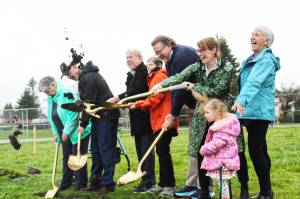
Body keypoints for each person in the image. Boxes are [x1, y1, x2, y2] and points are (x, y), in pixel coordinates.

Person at [151, 37, 248, 199]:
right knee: (200, 150)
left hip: (223, 113)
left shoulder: (227, 67)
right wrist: (161, 86)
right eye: (198, 50)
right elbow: (180, 76)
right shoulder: (197, 67)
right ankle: (204, 190)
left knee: (238, 150)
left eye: (203, 50)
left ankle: (244, 187)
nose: (199, 54)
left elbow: (218, 90)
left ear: (213, 50)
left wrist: (195, 87)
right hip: (203, 112)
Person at [60, 51, 120, 194]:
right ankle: (95, 182)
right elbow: (87, 101)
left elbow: (89, 103)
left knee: (105, 150)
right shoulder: (85, 78)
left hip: (107, 116)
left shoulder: (89, 77)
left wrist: (82, 124)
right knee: (96, 151)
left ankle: (108, 184)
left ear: (75, 67)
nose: (70, 76)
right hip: (97, 117)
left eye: (70, 73)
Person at [232, 25, 280, 199]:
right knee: (261, 150)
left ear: (266, 41)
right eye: (252, 34)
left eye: (257, 35)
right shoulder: (251, 59)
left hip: (259, 111)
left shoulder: (266, 60)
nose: (252, 37)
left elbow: (253, 82)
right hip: (249, 111)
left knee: (255, 151)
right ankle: (267, 190)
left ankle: (266, 192)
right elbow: (244, 83)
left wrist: (241, 100)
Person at [151, 35, 200, 197]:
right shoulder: (171, 60)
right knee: (194, 147)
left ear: (170, 44)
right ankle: (191, 184)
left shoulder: (182, 56)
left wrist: (173, 114)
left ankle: (203, 186)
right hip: (195, 105)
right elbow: (175, 87)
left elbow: (180, 86)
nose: (159, 55)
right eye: (156, 53)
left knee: (200, 147)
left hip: (205, 105)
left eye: (160, 51)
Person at [107, 49, 155, 192]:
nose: (128, 60)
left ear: (140, 58)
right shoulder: (130, 75)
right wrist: (124, 104)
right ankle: (144, 180)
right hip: (135, 117)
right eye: (126, 57)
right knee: (140, 151)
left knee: (147, 151)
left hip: (145, 117)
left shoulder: (143, 72)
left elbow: (138, 90)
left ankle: (149, 181)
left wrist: (118, 97)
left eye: (131, 57)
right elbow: (132, 92)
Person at [130, 57, 177, 197]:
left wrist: (138, 104)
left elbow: (156, 98)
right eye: (147, 64)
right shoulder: (153, 78)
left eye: (150, 64)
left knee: (163, 152)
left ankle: (169, 185)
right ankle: (162, 184)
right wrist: (141, 103)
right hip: (158, 120)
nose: (148, 67)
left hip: (164, 119)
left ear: (158, 65)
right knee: (161, 152)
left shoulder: (159, 76)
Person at [39, 76, 91, 190]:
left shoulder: (67, 93)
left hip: (78, 130)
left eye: (48, 90)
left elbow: (74, 114)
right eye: (45, 92)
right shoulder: (51, 98)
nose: (47, 93)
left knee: (76, 156)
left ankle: (80, 183)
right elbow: (52, 117)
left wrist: (66, 132)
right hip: (64, 133)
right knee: (66, 157)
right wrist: (55, 133)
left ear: (53, 85)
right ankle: (66, 183)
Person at [200, 99, 240, 199]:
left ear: (217, 111)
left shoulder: (223, 127)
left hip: (222, 162)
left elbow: (216, 144)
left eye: (207, 112)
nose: (205, 115)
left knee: (223, 185)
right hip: (223, 160)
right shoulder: (223, 124)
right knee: (222, 184)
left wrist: (203, 149)